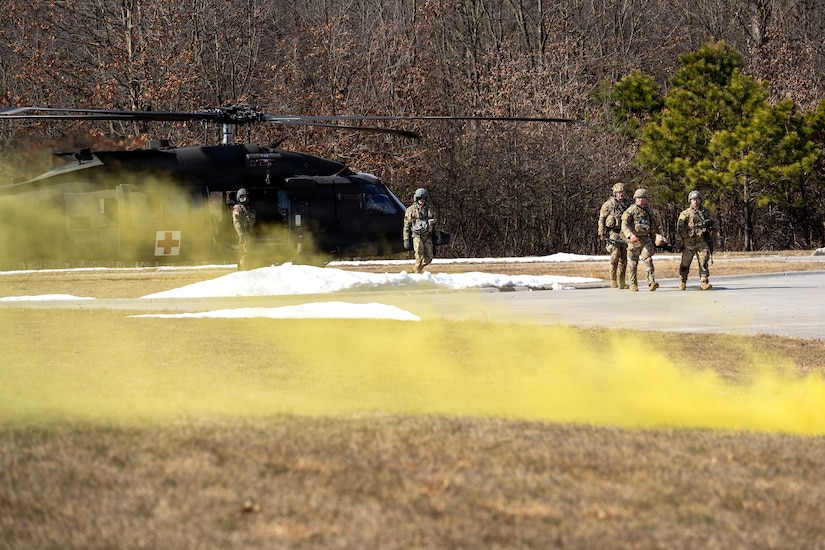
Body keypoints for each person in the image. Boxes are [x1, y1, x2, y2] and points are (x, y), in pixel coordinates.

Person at [621, 188, 665, 292]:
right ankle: (633, 284)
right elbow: (624, 225)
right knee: (633, 262)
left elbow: (653, 226)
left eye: (643, 198)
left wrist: (656, 237)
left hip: (646, 239)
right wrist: (630, 235)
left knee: (648, 259)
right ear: (635, 199)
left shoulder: (648, 211)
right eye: (639, 198)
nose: (641, 200)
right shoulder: (630, 210)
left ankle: (651, 282)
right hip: (634, 240)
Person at [676, 190, 715, 290]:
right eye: (693, 199)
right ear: (690, 201)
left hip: (702, 242)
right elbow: (679, 228)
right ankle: (682, 281)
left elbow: (714, 225)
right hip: (688, 243)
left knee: (703, 262)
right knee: (685, 264)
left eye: (697, 199)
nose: (695, 201)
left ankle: (704, 281)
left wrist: (711, 232)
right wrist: (682, 239)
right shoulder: (685, 214)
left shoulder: (706, 213)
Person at [598, 182, 632, 289]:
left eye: (622, 192)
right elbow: (601, 219)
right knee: (615, 255)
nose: (620, 194)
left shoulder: (629, 205)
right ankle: (613, 279)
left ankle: (621, 281)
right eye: (618, 192)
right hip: (613, 232)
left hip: (625, 233)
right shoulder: (608, 205)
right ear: (615, 193)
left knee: (624, 258)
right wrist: (601, 231)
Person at [402, 187, 437, 274]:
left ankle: (417, 268)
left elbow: (434, 223)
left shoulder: (430, 209)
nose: (422, 200)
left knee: (429, 258)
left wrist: (436, 236)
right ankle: (417, 274)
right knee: (419, 257)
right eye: (420, 198)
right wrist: (406, 239)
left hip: (427, 236)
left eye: (424, 198)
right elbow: (406, 226)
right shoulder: (411, 210)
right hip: (417, 236)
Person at [231, 188, 255, 270]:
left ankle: (244, 267)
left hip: (247, 233)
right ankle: (244, 268)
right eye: (242, 196)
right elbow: (236, 222)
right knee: (244, 252)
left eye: (245, 196)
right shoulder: (237, 208)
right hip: (242, 234)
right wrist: (240, 234)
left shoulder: (246, 207)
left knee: (247, 251)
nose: (243, 197)